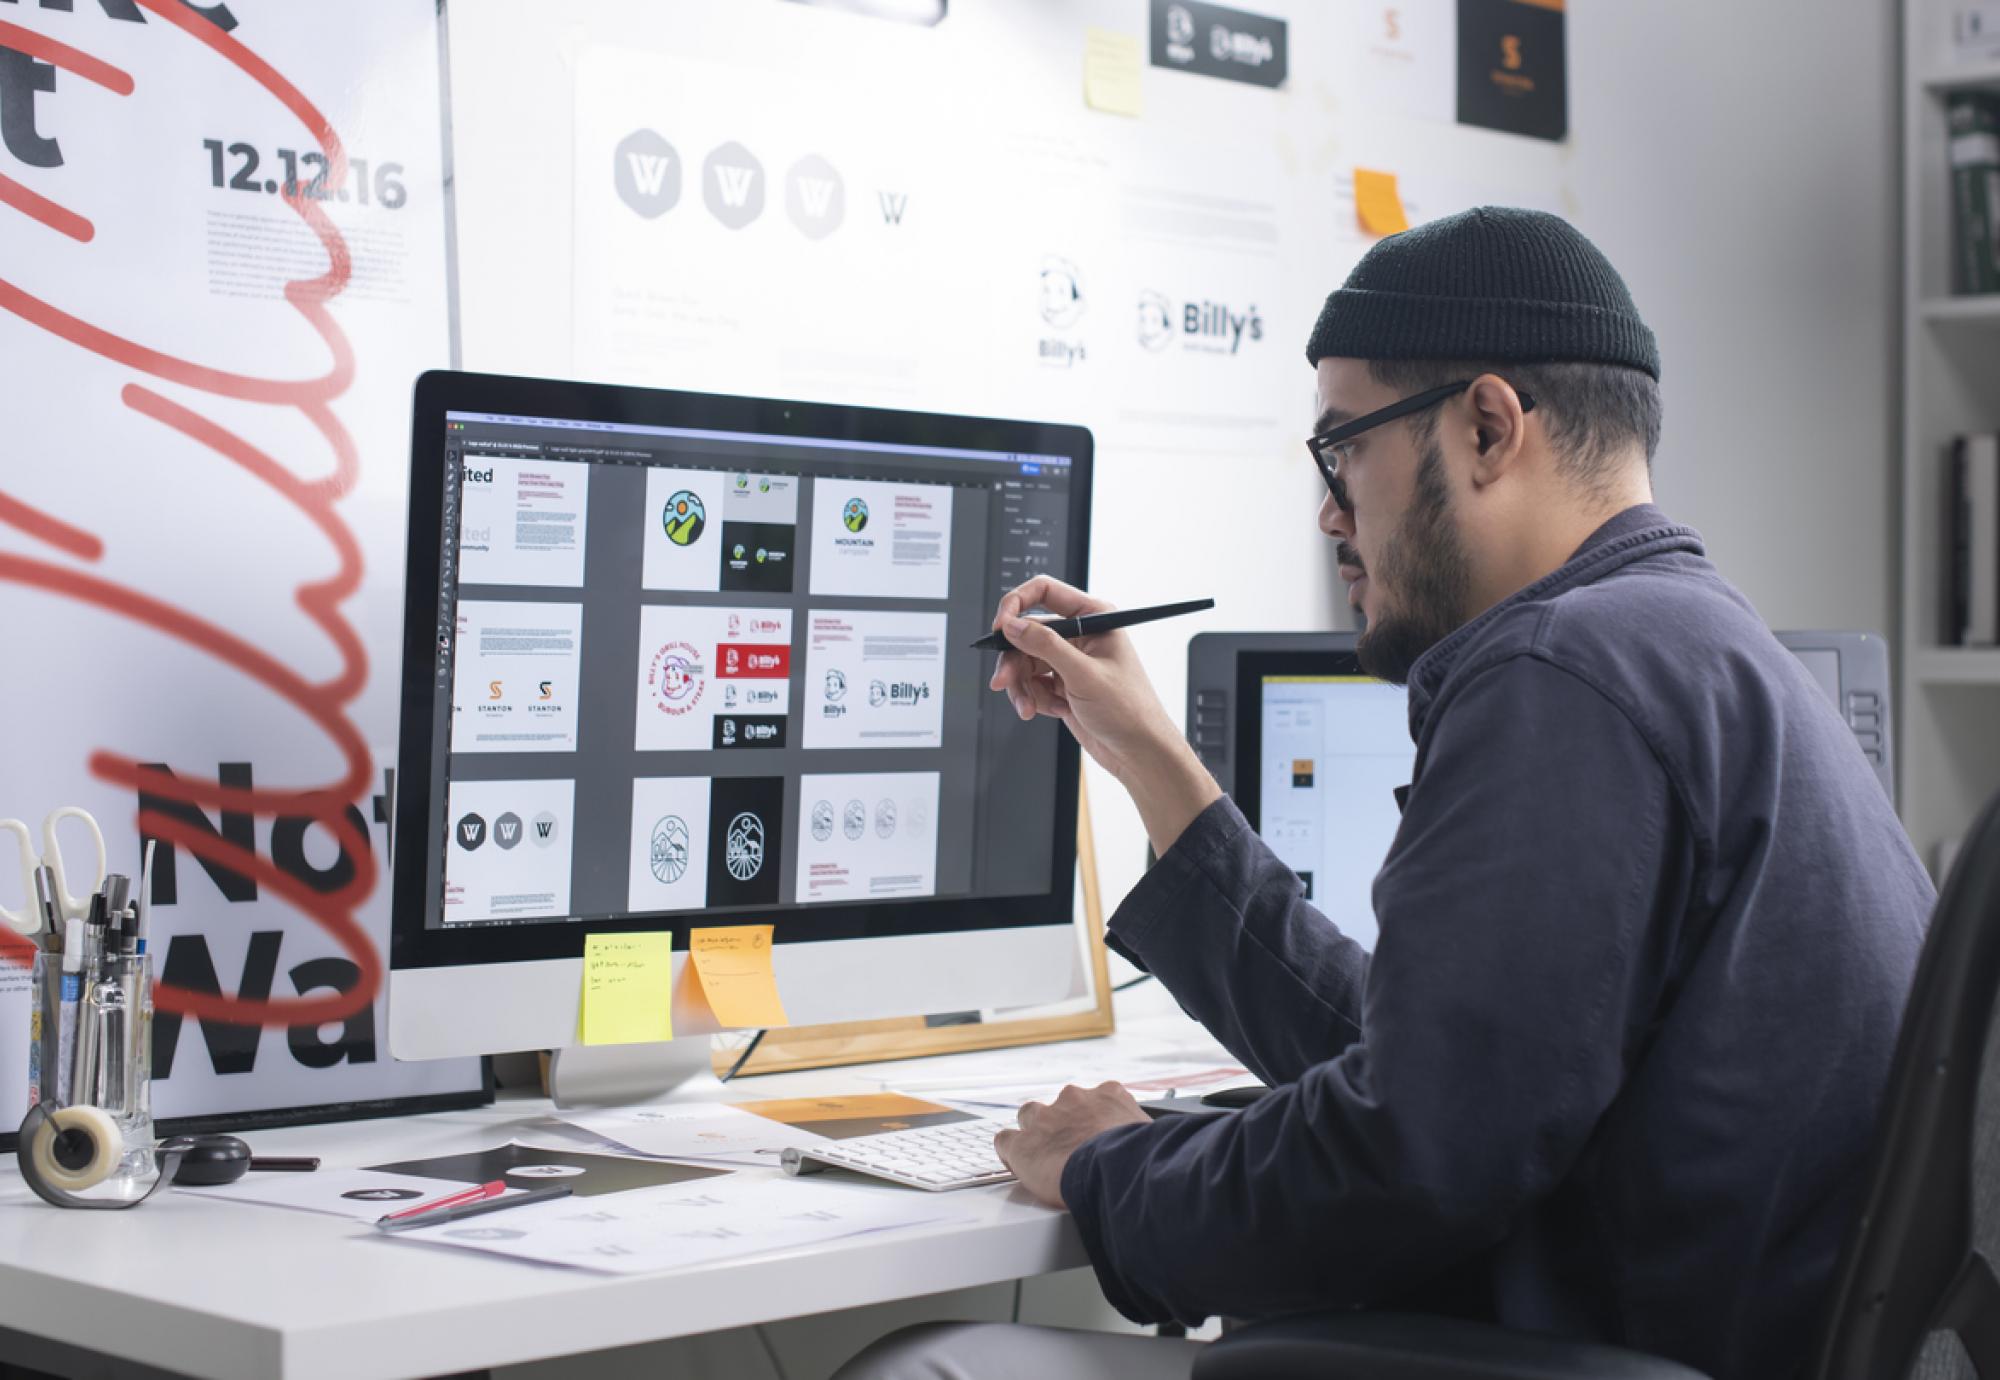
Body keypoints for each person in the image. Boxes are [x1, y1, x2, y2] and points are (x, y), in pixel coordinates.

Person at [835, 208, 1932, 1380]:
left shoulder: (1558, 672)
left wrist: (1112, 1167)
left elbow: (1400, 1165)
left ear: (1485, 427)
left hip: (1601, 1353)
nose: (1327, 511)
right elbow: (1425, 1074)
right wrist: (1155, 761)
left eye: (1341, 449)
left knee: (927, 1367)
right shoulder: (1683, 646)